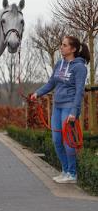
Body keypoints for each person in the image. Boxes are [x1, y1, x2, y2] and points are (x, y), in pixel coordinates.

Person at [30, 36, 90, 184]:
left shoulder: (79, 67)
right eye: (61, 45)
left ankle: (72, 173)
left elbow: (79, 91)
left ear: (73, 49)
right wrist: (37, 93)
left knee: (68, 141)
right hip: (57, 107)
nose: (61, 48)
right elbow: (51, 83)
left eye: (64, 45)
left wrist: (74, 112)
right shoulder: (59, 64)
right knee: (57, 141)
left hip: (69, 107)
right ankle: (65, 171)